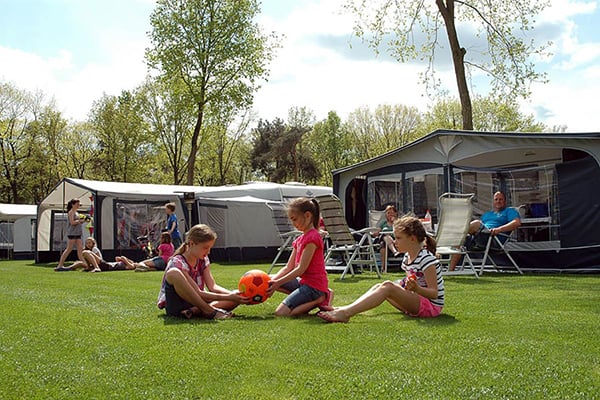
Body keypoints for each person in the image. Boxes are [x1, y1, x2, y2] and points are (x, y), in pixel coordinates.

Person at [317, 216, 444, 323]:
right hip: (417, 301)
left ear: (412, 239)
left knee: (388, 287)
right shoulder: (407, 258)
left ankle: (346, 313)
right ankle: (346, 308)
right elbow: (411, 282)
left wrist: (416, 288)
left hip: (431, 307)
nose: (394, 242)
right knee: (380, 285)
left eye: (399, 238)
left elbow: (434, 293)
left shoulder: (427, 259)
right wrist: (406, 285)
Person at [156, 224, 250, 319]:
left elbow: (212, 286)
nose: (208, 252)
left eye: (210, 248)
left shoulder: (203, 260)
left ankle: (194, 311)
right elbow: (198, 293)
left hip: (197, 303)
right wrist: (229, 297)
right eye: (205, 248)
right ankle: (209, 311)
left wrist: (234, 295)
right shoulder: (178, 262)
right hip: (179, 304)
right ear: (192, 244)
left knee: (235, 293)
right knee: (173, 272)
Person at [266, 197, 333, 317]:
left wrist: (277, 283)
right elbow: (288, 267)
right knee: (269, 279)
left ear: (307, 215)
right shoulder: (299, 240)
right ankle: (311, 296)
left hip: (314, 286)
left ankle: (320, 298)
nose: (293, 224)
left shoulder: (313, 237)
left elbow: (301, 269)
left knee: (281, 313)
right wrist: (272, 282)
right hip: (303, 282)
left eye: (295, 219)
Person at [449, 191, 521, 271]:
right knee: (458, 242)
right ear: (493, 201)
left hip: (493, 238)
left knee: (475, 224)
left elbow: (516, 223)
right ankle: (450, 271)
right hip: (478, 238)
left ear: (505, 201)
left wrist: (499, 229)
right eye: (496, 199)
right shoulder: (487, 214)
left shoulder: (509, 211)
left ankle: (452, 235)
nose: (498, 201)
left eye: (501, 199)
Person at [68, 237, 135, 272]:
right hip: (104, 264)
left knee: (85, 253)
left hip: (102, 264)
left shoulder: (94, 249)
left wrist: (127, 261)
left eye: (89, 243)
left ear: (93, 244)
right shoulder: (120, 264)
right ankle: (69, 268)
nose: (88, 244)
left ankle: (96, 268)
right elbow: (118, 258)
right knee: (84, 254)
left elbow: (99, 258)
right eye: (87, 243)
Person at [55, 199, 86, 271]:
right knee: (69, 249)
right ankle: (60, 265)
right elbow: (72, 222)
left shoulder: (77, 212)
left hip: (78, 233)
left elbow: (77, 221)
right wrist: (79, 221)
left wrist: (82, 221)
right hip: (72, 233)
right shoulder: (71, 212)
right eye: (77, 204)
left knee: (80, 249)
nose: (78, 206)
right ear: (73, 204)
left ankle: (85, 263)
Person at [373, 204, 401, 272]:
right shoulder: (383, 223)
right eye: (388, 213)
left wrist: (394, 222)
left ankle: (383, 268)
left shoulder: (399, 222)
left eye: (392, 213)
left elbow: (401, 231)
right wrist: (375, 233)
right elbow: (376, 233)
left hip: (396, 242)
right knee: (385, 238)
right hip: (385, 241)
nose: (390, 214)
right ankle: (394, 252)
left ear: (395, 213)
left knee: (383, 246)